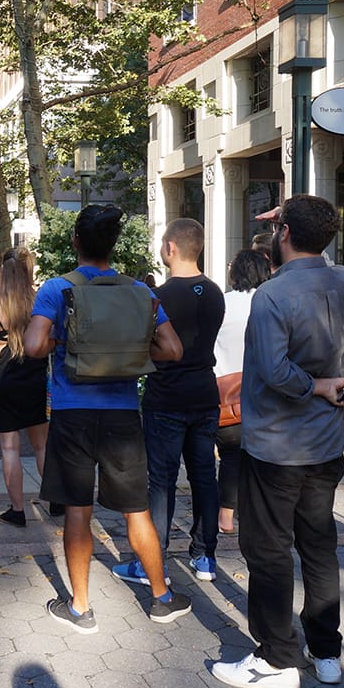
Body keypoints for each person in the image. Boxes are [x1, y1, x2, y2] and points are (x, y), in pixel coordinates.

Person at [211, 194, 344, 688]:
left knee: (269, 550)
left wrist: (314, 385)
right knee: (319, 547)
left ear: (284, 235)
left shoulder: (272, 296)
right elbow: (309, 242)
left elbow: (274, 370)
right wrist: (295, 220)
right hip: (325, 441)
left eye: (278, 229)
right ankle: (326, 652)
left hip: (276, 445)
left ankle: (276, 659)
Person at [23, 204, 190, 632]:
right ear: (113, 245)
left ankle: (80, 608)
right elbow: (172, 351)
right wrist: (131, 354)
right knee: (137, 510)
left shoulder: (57, 290)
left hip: (72, 414)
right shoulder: (141, 292)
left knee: (78, 511)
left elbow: (34, 345)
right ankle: (162, 597)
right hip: (122, 417)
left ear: (76, 241)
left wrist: (66, 342)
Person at [119, 218, 224, 584]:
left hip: (166, 397)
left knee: (161, 480)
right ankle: (205, 556)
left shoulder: (159, 297)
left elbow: (142, 345)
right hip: (205, 393)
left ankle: (152, 561)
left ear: (171, 248)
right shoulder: (214, 293)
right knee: (204, 477)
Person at [0, 247, 50, 527]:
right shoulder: (39, 302)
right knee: (41, 445)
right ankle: (54, 500)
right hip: (33, 375)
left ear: (2, 273)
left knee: (9, 448)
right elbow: (49, 338)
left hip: (2, 379)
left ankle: (17, 510)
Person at [213, 249, 273, 534]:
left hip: (225, 397)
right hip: (266, 398)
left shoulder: (221, 305)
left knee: (230, 458)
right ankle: (260, 516)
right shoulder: (271, 304)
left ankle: (225, 516)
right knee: (264, 461)